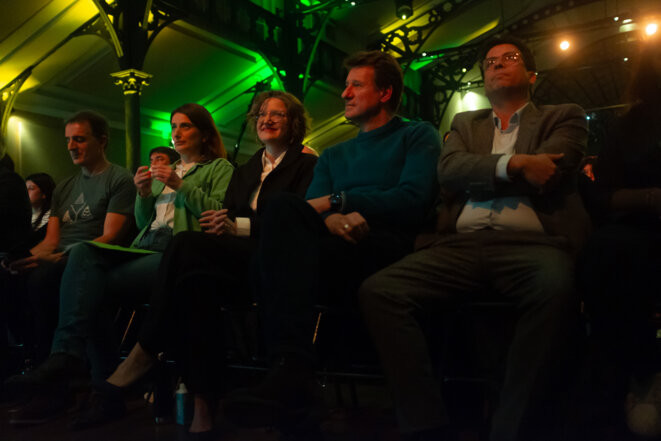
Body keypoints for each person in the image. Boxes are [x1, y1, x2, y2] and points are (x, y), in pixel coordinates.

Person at [358, 36, 589, 441]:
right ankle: (426, 422)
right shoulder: (466, 123)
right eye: (489, 62)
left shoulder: (563, 115)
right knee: (380, 291)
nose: (496, 65)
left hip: (533, 247)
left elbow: (551, 170)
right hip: (458, 247)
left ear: (531, 75)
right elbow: (448, 172)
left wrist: (481, 172)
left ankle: (509, 427)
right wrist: (517, 164)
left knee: (556, 286)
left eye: (509, 58)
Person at [73, 91, 318, 436]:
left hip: (271, 258)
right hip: (224, 253)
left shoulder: (306, 163)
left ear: (294, 124)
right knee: (194, 285)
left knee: (184, 246)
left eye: (278, 114)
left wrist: (230, 222)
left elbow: (293, 219)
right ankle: (203, 405)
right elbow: (212, 213)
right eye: (262, 114)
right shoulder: (249, 168)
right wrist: (146, 195)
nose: (267, 119)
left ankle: (143, 352)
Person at [224, 51, 441, 430]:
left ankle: (291, 377)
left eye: (356, 85)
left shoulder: (416, 134)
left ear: (385, 93)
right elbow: (311, 210)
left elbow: (414, 198)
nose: (344, 93)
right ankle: (290, 367)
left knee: (274, 249)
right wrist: (333, 216)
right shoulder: (335, 154)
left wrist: (344, 200)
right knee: (280, 211)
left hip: (387, 243)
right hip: (334, 244)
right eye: (346, 85)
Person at [5, 103, 234, 426]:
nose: (177, 133)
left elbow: (216, 212)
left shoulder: (218, 167)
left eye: (185, 126)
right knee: (84, 262)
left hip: (179, 252)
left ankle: (98, 385)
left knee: (88, 282)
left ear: (204, 133)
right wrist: (143, 193)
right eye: (174, 126)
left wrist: (181, 184)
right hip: (145, 248)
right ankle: (70, 358)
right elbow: (143, 223)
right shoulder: (161, 174)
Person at [4, 111, 136, 366]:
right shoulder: (65, 186)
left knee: (41, 281)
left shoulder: (119, 179)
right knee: (9, 276)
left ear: (103, 141)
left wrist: (57, 258)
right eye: (68, 140)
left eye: (80, 139)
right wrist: (25, 258)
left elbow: (111, 237)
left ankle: (56, 365)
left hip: (90, 256)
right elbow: (51, 240)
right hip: (60, 254)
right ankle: (23, 363)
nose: (71, 147)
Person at [577, 40, 661, 438]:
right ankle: (631, 377)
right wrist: (649, 198)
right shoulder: (633, 123)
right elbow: (603, 192)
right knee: (605, 250)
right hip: (642, 227)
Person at [25, 173, 56, 247]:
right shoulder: (23, 214)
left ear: (44, 193)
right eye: (24, 188)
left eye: (31, 188)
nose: (26, 192)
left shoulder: (51, 217)